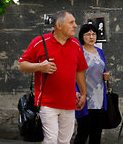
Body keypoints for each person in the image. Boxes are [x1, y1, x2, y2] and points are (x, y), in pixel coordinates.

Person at [18, 11, 88, 144]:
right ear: (58, 26)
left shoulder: (76, 44)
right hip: (47, 102)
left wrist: (84, 94)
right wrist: (40, 67)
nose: (75, 25)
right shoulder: (40, 41)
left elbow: (80, 71)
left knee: (64, 141)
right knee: (50, 140)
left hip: (69, 102)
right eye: (71, 22)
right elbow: (21, 65)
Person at [74, 24, 110, 144]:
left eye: (93, 34)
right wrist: (76, 91)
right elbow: (73, 74)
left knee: (96, 134)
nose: (91, 37)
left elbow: (102, 69)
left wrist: (106, 76)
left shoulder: (100, 52)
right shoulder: (78, 51)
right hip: (84, 98)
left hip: (99, 98)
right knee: (82, 133)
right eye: (88, 34)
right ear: (82, 36)